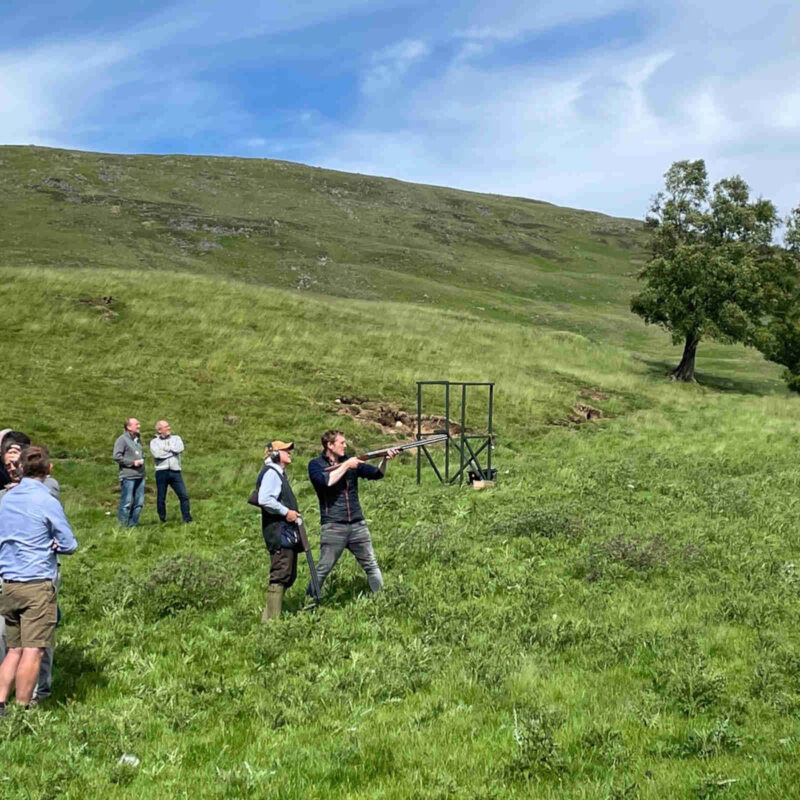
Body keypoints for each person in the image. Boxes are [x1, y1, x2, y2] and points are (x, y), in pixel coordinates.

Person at [0, 446, 78, 714]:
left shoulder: (6, 500)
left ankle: (0, 703)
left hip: (9, 583)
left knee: (14, 648)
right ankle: (23, 709)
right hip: (36, 582)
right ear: (49, 469)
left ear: (20, 469)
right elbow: (69, 543)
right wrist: (53, 545)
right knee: (34, 650)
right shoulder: (47, 500)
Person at [307, 430, 397, 597]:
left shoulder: (350, 461)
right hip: (333, 525)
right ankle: (309, 602)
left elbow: (378, 474)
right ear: (330, 445)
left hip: (357, 524)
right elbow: (326, 481)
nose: (345, 445)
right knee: (323, 569)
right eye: (341, 442)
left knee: (371, 564)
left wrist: (385, 459)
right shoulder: (315, 465)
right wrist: (347, 465)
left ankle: (382, 599)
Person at [256, 440, 302, 621]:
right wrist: (286, 512)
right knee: (280, 574)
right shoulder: (272, 473)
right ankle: (271, 625)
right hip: (279, 530)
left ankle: (267, 618)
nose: (289, 453)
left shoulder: (276, 473)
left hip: (284, 530)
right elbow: (265, 499)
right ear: (275, 454)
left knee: (287, 575)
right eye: (285, 450)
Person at [150, 420, 192, 524]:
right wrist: (172, 452)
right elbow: (157, 455)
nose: (168, 428)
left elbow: (180, 448)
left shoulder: (176, 438)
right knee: (161, 497)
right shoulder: (154, 442)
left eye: (168, 426)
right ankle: (162, 519)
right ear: (159, 430)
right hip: (161, 472)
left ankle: (187, 519)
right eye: (166, 427)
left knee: (184, 496)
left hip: (175, 471)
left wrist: (166, 449)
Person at [112, 418, 145, 527]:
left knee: (139, 503)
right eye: (136, 424)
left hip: (140, 475)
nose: (139, 426)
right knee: (126, 503)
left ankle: (133, 525)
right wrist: (132, 463)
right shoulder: (122, 439)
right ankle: (122, 526)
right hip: (128, 476)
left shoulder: (138, 439)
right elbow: (116, 456)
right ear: (129, 427)